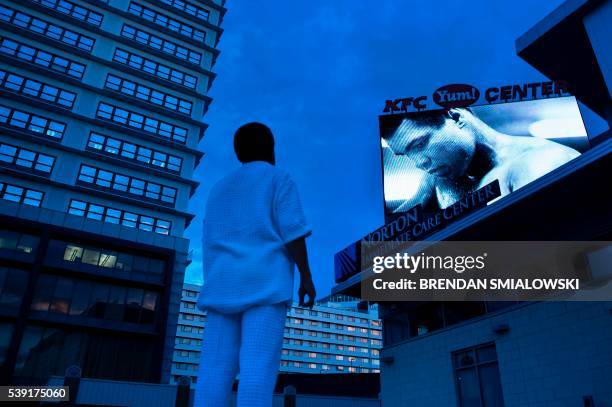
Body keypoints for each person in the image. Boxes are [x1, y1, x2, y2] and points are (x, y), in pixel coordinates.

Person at [194, 122, 316, 407]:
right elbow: (293, 233)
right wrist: (306, 278)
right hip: (265, 287)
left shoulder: (218, 189)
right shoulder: (277, 179)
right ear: (270, 147)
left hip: (222, 287)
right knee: (257, 369)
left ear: (238, 152)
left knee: (213, 372)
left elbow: (209, 239)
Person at [383, 107, 580, 210]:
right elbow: (386, 240)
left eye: (419, 145)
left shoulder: (539, 163)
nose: (419, 163)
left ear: (456, 118)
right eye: (406, 154)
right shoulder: (438, 180)